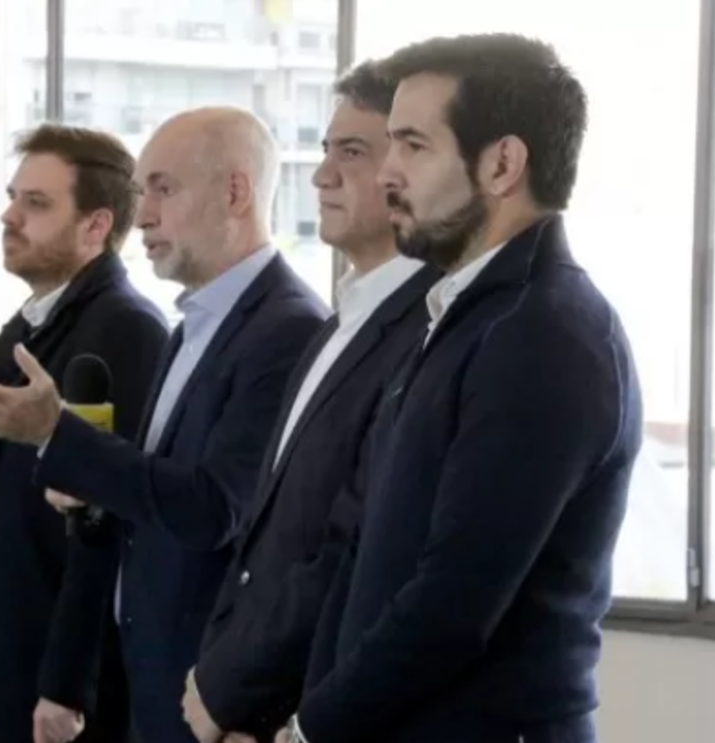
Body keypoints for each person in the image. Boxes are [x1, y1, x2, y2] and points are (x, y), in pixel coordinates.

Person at [280, 34, 642, 743]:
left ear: (502, 163)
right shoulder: (461, 314)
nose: (386, 172)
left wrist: (309, 731)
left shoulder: (546, 334)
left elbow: (452, 602)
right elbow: (363, 555)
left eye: (413, 145)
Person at [0, 106, 329, 743]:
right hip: (147, 677)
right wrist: (86, 480)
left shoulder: (285, 328)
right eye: (142, 190)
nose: (142, 213)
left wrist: (56, 437)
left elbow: (216, 509)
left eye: (163, 189)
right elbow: (145, 493)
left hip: (203, 691)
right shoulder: (189, 329)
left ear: (235, 192)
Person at [184, 63, 438, 743]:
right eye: (324, 151)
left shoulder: (429, 332)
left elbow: (348, 550)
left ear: (411, 166)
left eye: (350, 152)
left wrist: (233, 687)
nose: (322, 174)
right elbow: (270, 539)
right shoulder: (339, 321)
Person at [0, 123, 170, 743]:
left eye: (36, 203)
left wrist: (70, 682)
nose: (9, 216)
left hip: (55, 681)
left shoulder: (127, 329)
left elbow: (112, 520)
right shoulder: (21, 329)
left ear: (96, 226)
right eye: (14, 197)